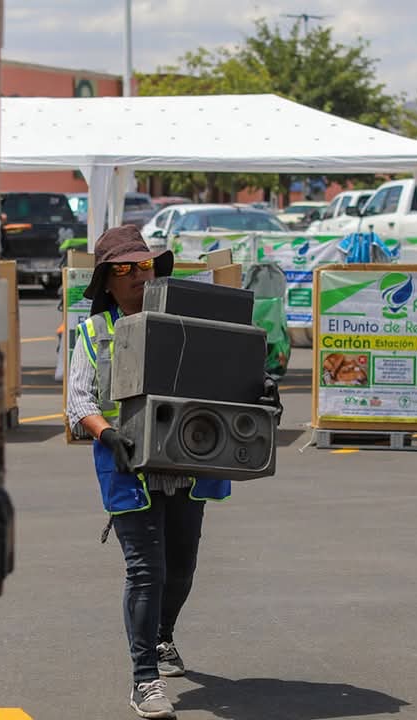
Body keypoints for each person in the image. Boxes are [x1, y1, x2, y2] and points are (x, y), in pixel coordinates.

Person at [66, 225, 281, 719]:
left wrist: (261, 388)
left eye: (143, 266)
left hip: (189, 458)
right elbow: (79, 403)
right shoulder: (93, 332)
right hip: (127, 462)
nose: (137, 275)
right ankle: (145, 681)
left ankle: (162, 637)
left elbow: (227, 381)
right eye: (125, 268)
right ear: (107, 281)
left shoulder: (190, 321)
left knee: (181, 568)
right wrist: (107, 434)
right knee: (147, 572)